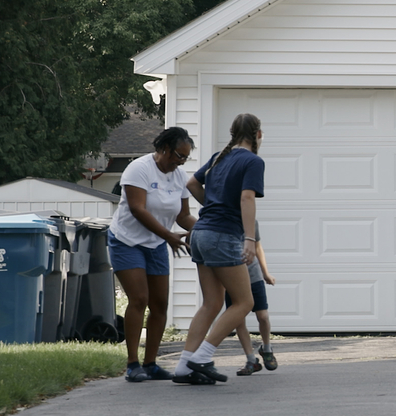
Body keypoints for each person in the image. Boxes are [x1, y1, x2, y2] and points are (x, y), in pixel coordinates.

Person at [172, 113, 265, 385]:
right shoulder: (253, 161)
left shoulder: (217, 157)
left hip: (200, 233)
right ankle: (201, 357)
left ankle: (182, 367)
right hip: (223, 236)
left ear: (232, 133)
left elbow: (191, 183)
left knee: (212, 303)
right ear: (258, 135)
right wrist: (249, 238)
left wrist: (211, 204)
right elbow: (247, 197)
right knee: (245, 302)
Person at [109, 127, 196, 382]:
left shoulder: (179, 176)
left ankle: (151, 364)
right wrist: (169, 236)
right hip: (126, 241)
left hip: (156, 242)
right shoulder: (139, 169)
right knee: (139, 299)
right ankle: (132, 363)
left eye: (185, 158)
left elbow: (182, 216)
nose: (180, 161)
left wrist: (206, 230)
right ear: (164, 149)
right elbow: (138, 209)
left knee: (160, 305)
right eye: (178, 155)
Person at [227, 225, 278, 376]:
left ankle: (266, 348)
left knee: (263, 316)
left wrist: (265, 273)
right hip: (231, 277)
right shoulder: (221, 218)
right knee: (238, 321)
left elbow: (257, 247)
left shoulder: (250, 221)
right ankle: (251, 360)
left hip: (253, 276)